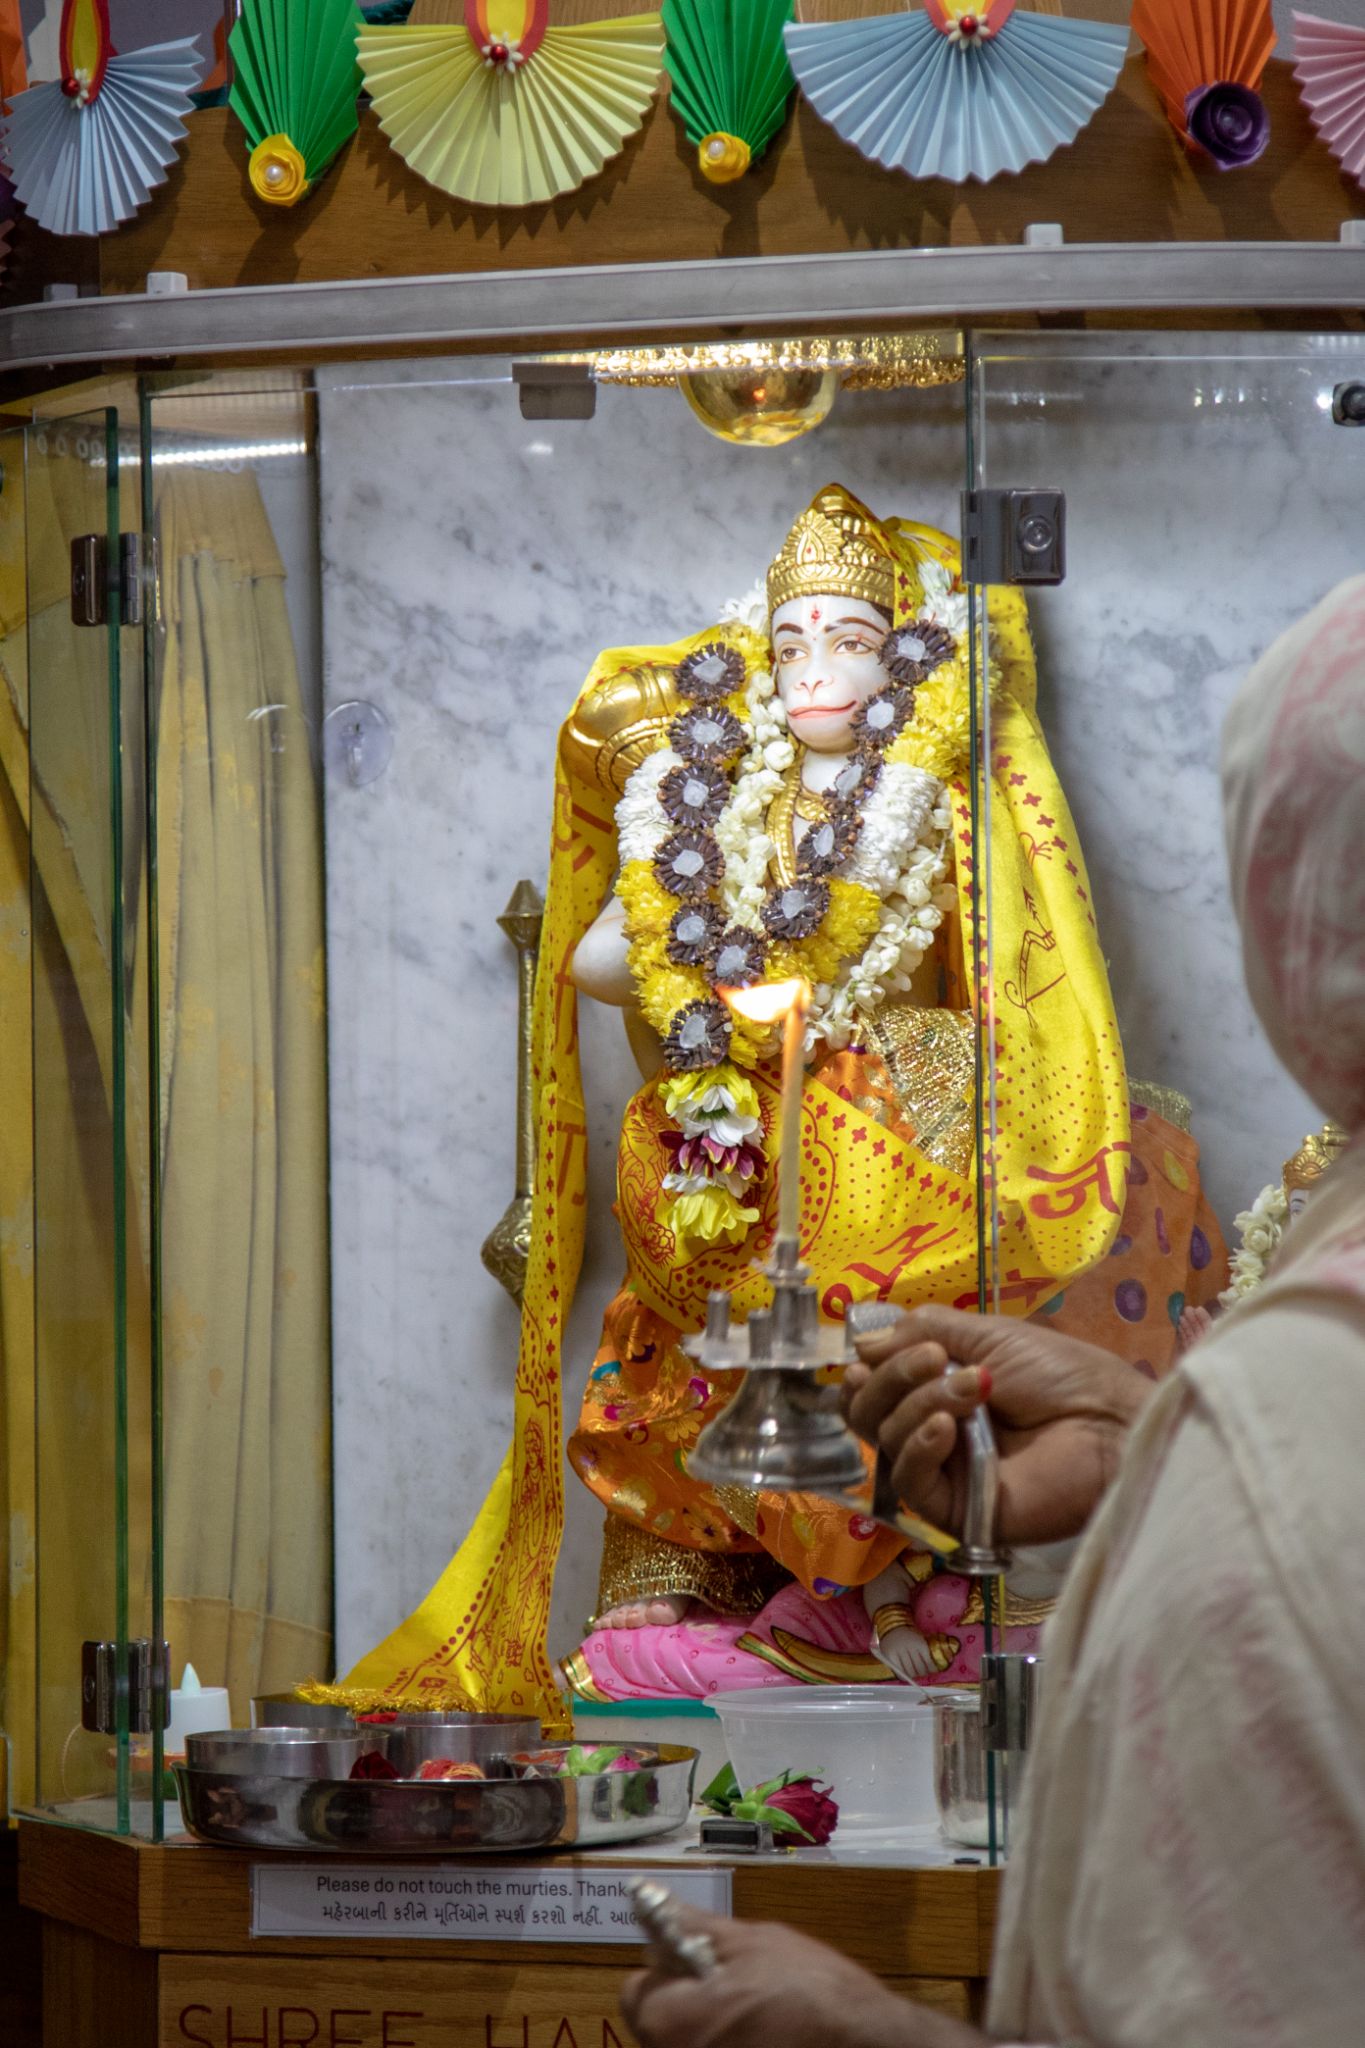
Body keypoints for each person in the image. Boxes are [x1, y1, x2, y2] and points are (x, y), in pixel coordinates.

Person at [621, 574, 1365, 2048]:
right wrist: (1144, 1429)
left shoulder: (1297, 1409)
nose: (810, 673)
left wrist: (866, 2032)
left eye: (844, 640)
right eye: (783, 646)